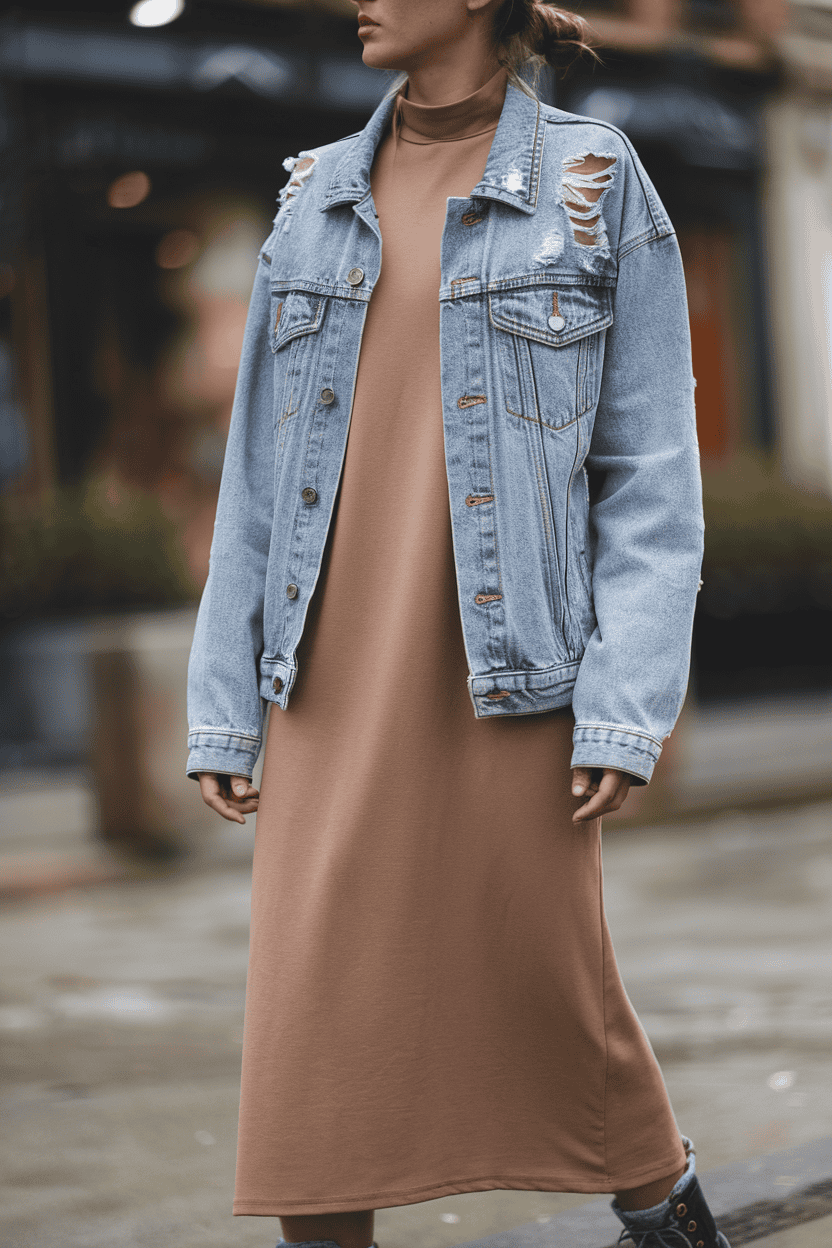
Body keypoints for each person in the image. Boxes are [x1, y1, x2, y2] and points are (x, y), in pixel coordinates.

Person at [186, 2, 728, 1246]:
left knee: (560, 1008)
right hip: (323, 686)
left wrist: (623, 700)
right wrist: (226, 700)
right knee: (312, 1047)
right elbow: (256, 480)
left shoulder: (593, 180)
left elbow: (650, 476)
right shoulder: (313, 193)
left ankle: (675, 1224)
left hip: (508, 683)